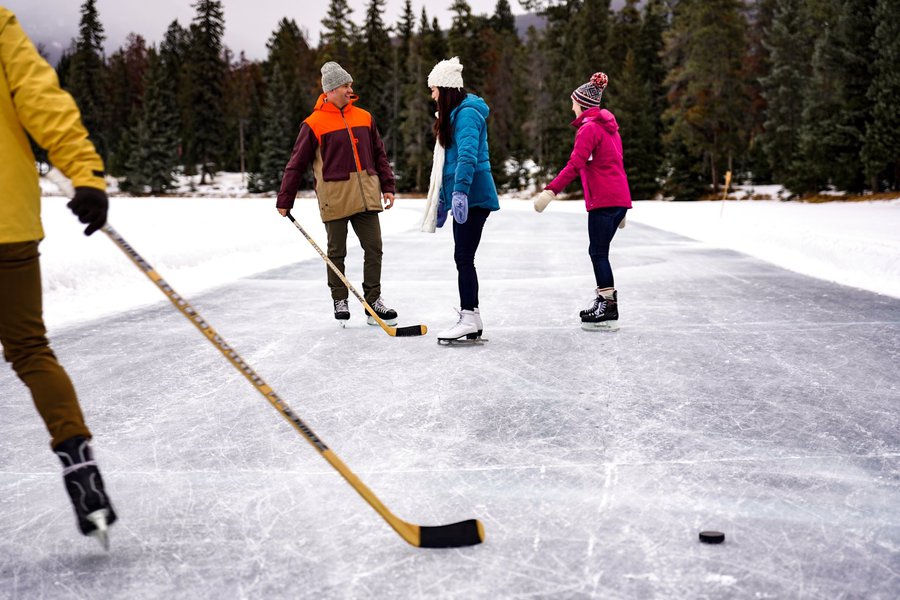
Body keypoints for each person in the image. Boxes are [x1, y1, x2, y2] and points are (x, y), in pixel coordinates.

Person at [0, 7, 116, 547]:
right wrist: (84, 174)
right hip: (8, 222)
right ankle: (76, 458)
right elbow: (42, 101)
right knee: (29, 348)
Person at [276, 61, 398, 327]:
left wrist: (388, 186)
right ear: (330, 90)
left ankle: (373, 302)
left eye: (350, 84)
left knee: (374, 248)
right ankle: (339, 299)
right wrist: (285, 199)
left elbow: (379, 154)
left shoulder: (364, 117)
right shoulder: (313, 124)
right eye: (345, 85)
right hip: (335, 197)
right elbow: (296, 164)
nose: (350, 89)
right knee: (336, 252)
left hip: (366, 194)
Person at [533, 72, 632, 331]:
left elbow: (575, 165)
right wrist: (623, 207)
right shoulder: (609, 128)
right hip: (617, 199)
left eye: (574, 102)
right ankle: (604, 299)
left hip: (604, 201)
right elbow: (616, 164)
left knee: (598, 253)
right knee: (600, 252)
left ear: (583, 105)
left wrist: (550, 191)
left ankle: (608, 305)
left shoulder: (589, 129)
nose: (571, 107)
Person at [426, 57, 500, 344]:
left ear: (445, 89)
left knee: (463, 257)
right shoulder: (457, 113)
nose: (432, 95)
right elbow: (451, 162)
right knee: (463, 257)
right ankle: (473, 316)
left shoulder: (467, 114)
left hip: (473, 196)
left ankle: (469, 316)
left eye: (433, 89)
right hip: (466, 195)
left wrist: (459, 192)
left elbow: (467, 157)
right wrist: (445, 198)